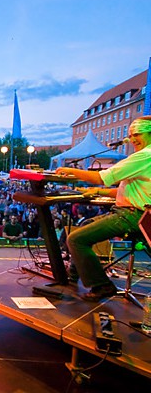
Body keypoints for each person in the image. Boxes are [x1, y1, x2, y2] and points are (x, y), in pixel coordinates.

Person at [56, 116, 151, 301]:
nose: (133, 139)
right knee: (83, 228)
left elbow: (103, 176)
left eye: (137, 134)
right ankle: (74, 275)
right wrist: (97, 191)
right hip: (130, 212)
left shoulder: (145, 155)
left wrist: (71, 172)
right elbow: (130, 191)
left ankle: (101, 286)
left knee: (76, 239)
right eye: (131, 135)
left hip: (133, 216)